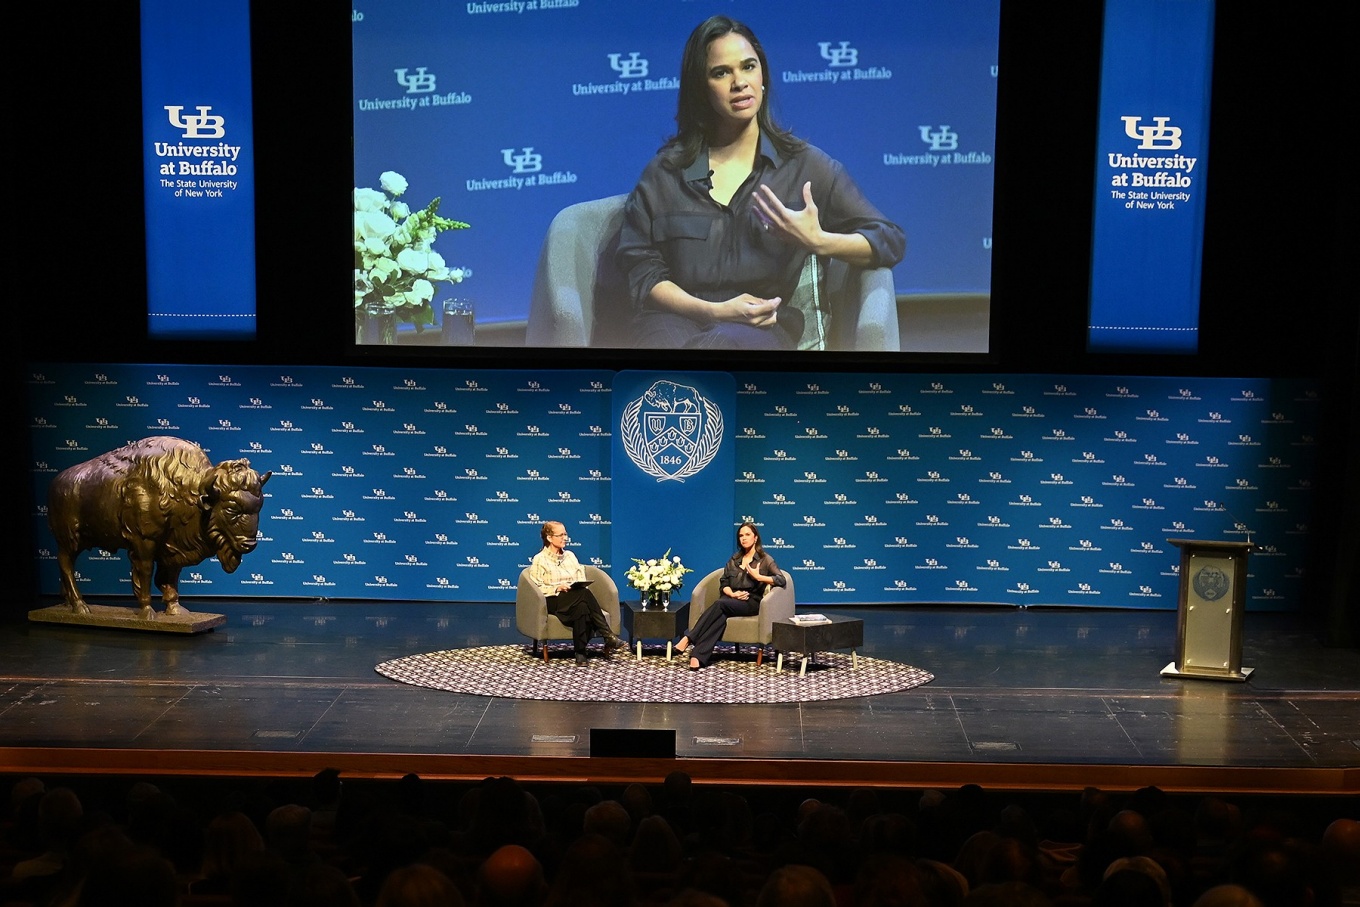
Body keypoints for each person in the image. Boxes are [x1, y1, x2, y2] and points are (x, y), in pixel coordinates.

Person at [615, 14, 905, 351]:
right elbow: (641, 270)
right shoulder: (665, 172)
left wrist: (820, 241)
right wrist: (712, 310)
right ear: (700, 88)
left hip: (759, 327)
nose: (739, 82)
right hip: (675, 318)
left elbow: (889, 239)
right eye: (721, 73)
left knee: (718, 348)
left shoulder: (803, 166)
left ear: (763, 76)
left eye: (748, 67)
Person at [675, 522, 785, 670]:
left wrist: (759, 577)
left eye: (747, 535)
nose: (744, 538)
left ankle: (689, 638)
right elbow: (724, 582)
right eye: (741, 535)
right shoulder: (734, 559)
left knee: (720, 604)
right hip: (731, 598)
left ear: (755, 538)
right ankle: (697, 656)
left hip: (751, 600)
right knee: (720, 616)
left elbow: (781, 579)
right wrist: (732, 593)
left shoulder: (765, 559)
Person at [528, 521, 625, 665]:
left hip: (574, 598)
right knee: (583, 595)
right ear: (549, 538)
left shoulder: (570, 556)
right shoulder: (539, 559)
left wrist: (575, 586)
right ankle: (607, 634)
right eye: (560, 535)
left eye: (565, 534)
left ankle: (580, 653)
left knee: (582, 607)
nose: (565, 538)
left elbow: (581, 577)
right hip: (553, 599)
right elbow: (537, 587)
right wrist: (557, 587)